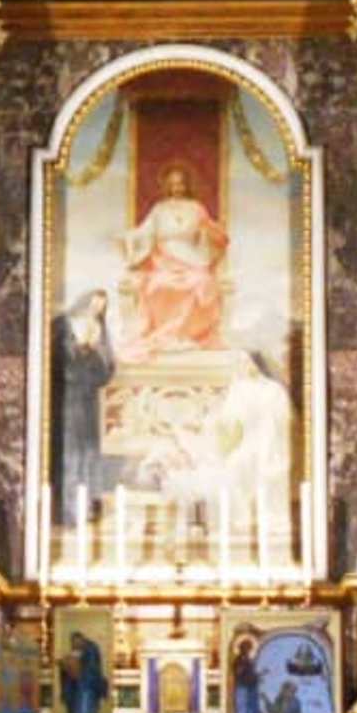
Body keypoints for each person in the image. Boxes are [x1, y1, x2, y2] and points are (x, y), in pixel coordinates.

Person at [116, 164, 228, 361]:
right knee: (157, 285)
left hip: (192, 259)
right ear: (167, 186)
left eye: (181, 184)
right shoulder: (159, 210)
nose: (177, 188)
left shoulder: (196, 208)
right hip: (163, 261)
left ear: (186, 185)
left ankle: (189, 336)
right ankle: (167, 336)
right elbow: (145, 232)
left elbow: (212, 233)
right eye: (173, 184)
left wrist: (216, 237)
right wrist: (126, 239)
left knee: (202, 282)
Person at [53, 289, 116, 520]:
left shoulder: (100, 329)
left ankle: (86, 505)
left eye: (101, 307)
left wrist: (92, 350)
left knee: (88, 453)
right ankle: (69, 508)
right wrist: (82, 349)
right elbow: (61, 365)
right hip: (69, 400)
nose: (96, 310)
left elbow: (107, 369)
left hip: (88, 400)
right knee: (71, 453)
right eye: (93, 304)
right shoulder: (64, 325)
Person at [60, 629, 109, 713]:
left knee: (85, 711)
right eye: (73, 643)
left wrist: (76, 666)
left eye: (75, 642)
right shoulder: (82, 649)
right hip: (81, 686)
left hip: (88, 686)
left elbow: (92, 668)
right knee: (81, 711)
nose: (74, 645)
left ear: (81, 639)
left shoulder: (91, 648)